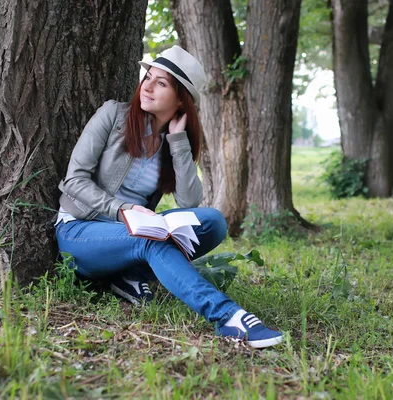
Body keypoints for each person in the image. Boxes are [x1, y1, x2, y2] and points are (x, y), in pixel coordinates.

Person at [54, 46, 283, 349]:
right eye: (147, 77)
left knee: (212, 222)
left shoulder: (171, 142)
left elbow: (189, 201)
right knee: (151, 240)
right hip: (80, 231)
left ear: (180, 99)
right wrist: (123, 209)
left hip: (133, 232)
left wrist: (177, 141)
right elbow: (74, 181)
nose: (146, 86)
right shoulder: (113, 114)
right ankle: (228, 317)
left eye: (161, 83)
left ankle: (130, 277)